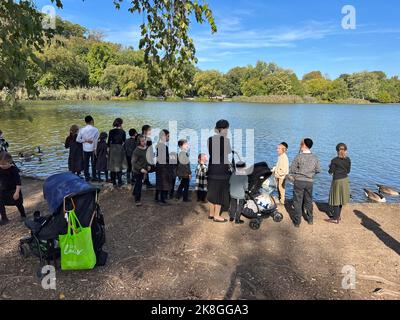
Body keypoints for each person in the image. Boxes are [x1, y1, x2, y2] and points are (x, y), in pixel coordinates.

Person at [289, 138, 321, 227]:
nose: (300, 146)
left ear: (304, 145)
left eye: (301, 144)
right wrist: (311, 174)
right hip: (309, 182)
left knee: (297, 202)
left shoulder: (298, 156)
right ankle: (310, 219)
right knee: (309, 201)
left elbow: (292, 169)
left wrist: (293, 178)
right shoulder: (315, 157)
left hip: (299, 181)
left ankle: (297, 222)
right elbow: (318, 170)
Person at [207, 120, 232, 223]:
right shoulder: (226, 140)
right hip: (222, 170)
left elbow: (210, 152)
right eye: (227, 128)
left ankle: (211, 213)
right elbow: (229, 151)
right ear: (225, 128)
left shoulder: (209, 140)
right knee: (220, 193)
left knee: (212, 191)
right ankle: (217, 216)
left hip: (212, 168)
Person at [326, 143, 351, 224]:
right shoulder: (348, 160)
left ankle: (335, 218)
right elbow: (348, 171)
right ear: (346, 150)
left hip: (337, 181)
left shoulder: (334, 160)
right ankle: (338, 216)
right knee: (341, 199)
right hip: (345, 180)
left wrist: (330, 166)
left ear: (337, 150)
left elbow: (330, 172)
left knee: (336, 199)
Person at [0, 152, 26, 224]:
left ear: (10, 162)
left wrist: (17, 192)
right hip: (3, 190)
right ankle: (4, 218)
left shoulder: (14, 170)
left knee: (18, 203)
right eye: (1, 164)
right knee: (0, 202)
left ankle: (23, 215)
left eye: (4, 164)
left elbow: (18, 182)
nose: (2, 166)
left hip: (14, 190)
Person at [76, 115, 99, 182]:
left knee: (86, 163)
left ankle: (87, 177)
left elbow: (77, 140)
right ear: (91, 121)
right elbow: (96, 141)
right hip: (93, 149)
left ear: (85, 121)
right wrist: (95, 149)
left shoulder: (82, 130)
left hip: (85, 149)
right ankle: (94, 177)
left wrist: (85, 140)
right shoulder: (96, 130)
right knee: (93, 163)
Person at [132, 135, 151, 207]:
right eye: (142, 141)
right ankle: (137, 200)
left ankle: (134, 193)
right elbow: (133, 162)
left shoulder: (146, 148)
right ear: (139, 142)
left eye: (144, 140)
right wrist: (141, 169)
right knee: (139, 184)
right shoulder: (136, 151)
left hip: (144, 168)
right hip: (137, 170)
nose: (144, 142)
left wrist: (148, 165)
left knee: (138, 183)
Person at [108, 118, 127, 187]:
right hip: (119, 148)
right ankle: (120, 181)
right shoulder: (123, 132)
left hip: (112, 148)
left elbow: (108, 141)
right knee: (119, 165)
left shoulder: (111, 131)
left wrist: (108, 150)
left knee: (112, 165)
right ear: (121, 124)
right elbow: (124, 141)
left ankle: (113, 181)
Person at [155, 129, 171, 205]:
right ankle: (162, 200)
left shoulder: (159, 144)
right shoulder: (163, 146)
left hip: (159, 166)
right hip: (162, 167)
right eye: (168, 136)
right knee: (163, 182)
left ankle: (156, 198)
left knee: (159, 182)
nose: (169, 138)